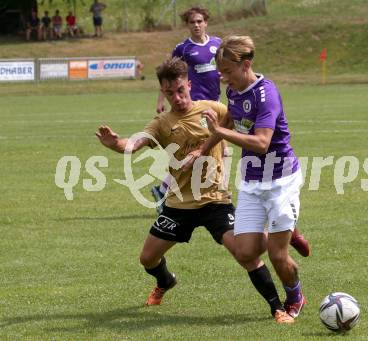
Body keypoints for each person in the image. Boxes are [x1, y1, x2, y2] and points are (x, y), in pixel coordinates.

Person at [95, 57, 293, 321]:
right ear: (163, 93)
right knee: (147, 259)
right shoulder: (161, 123)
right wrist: (116, 144)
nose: (176, 98)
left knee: (244, 255)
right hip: (178, 205)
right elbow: (135, 143)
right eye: (169, 93)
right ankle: (165, 282)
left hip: (215, 201)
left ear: (189, 84)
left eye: (180, 90)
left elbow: (238, 119)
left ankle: (277, 307)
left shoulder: (212, 109)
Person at [185, 36, 307, 322]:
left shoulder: (266, 94)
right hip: (252, 181)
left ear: (246, 65)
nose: (222, 77)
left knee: (278, 257)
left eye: (227, 71)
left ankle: (294, 296)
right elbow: (225, 124)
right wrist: (200, 150)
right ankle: (289, 233)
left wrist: (223, 133)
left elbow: (262, 142)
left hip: (281, 181)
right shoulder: (235, 91)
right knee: (244, 251)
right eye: (220, 71)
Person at [151, 7, 226, 213]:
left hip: (215, 104)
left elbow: (224, 67)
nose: (196, 25)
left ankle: (166, 189)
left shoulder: (217, 44)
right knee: (211, 149)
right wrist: (161, 99)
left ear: (206, 22)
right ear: (188, 25)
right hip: (196, 108)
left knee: (216, 150)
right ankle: (213, 196)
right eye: (192, 22)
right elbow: (168, 75)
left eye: (200, 21)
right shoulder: (183, 49)